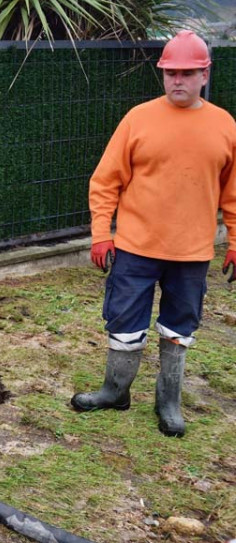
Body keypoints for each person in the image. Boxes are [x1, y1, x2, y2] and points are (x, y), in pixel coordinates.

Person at [70, 30, 236, 437]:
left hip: (193, 253)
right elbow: (105, 181)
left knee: (179, 328)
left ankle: (169, 402)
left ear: (204, 74)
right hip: (136, 248)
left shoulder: (224, 125)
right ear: (162, 74)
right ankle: (115, 391)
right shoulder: (138, 119)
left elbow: (233, 194)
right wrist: (100, 234)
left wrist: (235, 242)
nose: (178, 80)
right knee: (124, 323)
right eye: (170, 72)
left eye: (187, 73)